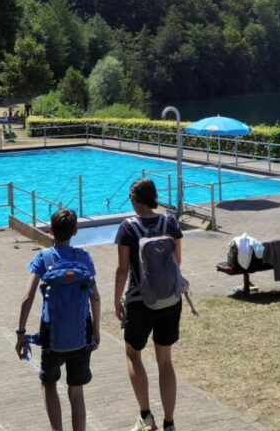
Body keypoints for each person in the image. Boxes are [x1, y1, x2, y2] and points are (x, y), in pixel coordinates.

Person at [16, 208, 100, 431]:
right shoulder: (84, 257)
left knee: (49, 384)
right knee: (76, 391)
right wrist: (96, 332)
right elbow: (96, 298)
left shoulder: (43, 258)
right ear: (75, 231)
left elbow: (27, 298)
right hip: (81, 337)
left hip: (53, 340)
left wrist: (21, 333)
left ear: (51, 230)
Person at [114, 179, 184, 431]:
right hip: (170, 300)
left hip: (140, 301)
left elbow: (122, 269)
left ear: (134, 199)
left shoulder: (127, 228)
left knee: (133, 354)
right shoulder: (170, 222)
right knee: (165, 361)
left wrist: (116, 300)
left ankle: (145, 416)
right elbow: (177, 260)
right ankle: (170, 422)